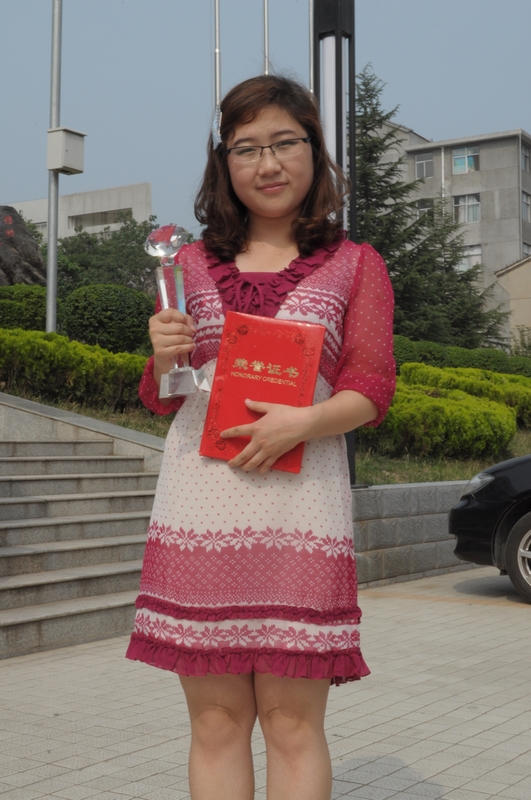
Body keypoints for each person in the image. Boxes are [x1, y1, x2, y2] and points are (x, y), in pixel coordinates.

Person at [126, 74, 395, 800]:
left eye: (284, 143)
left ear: (313, 149)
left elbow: (371, 386)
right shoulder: (185, 265)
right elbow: (163, 397)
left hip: (300, 511)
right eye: (246, 148)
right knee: (216, 723)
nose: (267, 164)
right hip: (200, 510)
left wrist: (304, 422)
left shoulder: (356, 264)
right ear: (224, 162)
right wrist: (163, 356)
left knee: (291, 723)